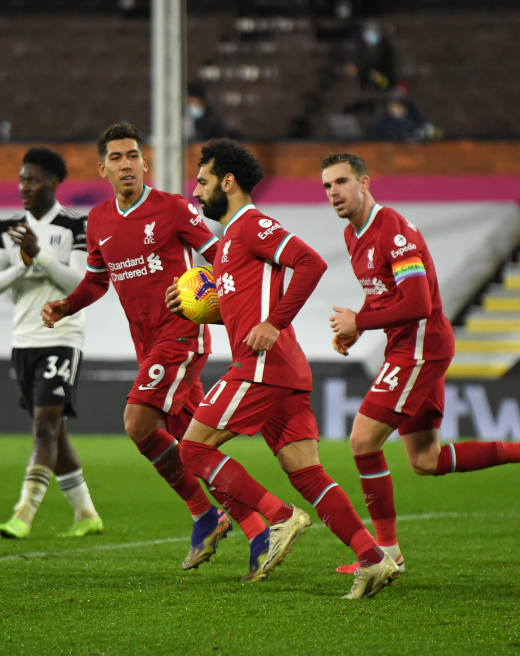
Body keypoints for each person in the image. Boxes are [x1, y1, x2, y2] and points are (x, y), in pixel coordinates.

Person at [321, 153, 520, 574]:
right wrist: (359, 327)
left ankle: (386, 553)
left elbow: (418, 302)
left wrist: (360, 320)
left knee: (362, 441)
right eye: (327, 186)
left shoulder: (393, 232)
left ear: (364, 182)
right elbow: (385, 290)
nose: (334, 193)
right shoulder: (354, 235)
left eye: (341, 182)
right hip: (409, 347)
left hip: (420, 347)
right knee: (425, 460)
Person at [168, 139, 398, 600]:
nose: (196, 192)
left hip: (262, 368)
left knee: (193, 450)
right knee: (307, 472)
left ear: (227, 183)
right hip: (282, 371)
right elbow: (245, 308)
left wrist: (274, 322)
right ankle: (373, 560)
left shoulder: (253, 225)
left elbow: (309, 262)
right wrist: (204, 313)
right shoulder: (231, 240)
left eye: (203, 181)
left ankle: (277, 517)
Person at [40, 123, 268, 572]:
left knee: (138, 422)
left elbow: (221, 254)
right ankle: (259, 525)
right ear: (102, 167)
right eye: (117, 158)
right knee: (194, 448)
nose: (127, 164)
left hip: (181, 335)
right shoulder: (100, 220)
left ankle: (204, 515)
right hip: (147, 345)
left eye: (133, 156)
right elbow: (98, 280)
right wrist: (66, 305)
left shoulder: (174, 208)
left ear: (145, 162)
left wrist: (229, 299)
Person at [0, 147, 103, 540]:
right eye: (21, 179)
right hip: (23, 339)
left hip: (62, 337)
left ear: (54, 182)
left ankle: (24, 512)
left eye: (32, 179)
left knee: (44, 426)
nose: (24, 187)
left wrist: (41, 256)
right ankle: (86, 513)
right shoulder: (6, 227)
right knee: (55, 430)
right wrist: (23, 263)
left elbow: (79, 284)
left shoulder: (76, 225)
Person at [345, 21, 396, 92]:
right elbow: (359, 67)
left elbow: (391, 76)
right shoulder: (360, 51)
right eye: (368, 33)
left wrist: (380, 79)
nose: (370, 36)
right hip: (364, 89)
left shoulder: (387, 51)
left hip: (383, 89)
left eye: (373, 33)